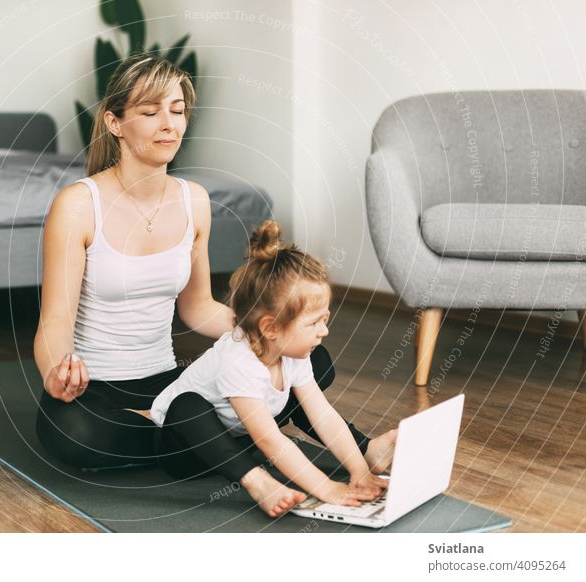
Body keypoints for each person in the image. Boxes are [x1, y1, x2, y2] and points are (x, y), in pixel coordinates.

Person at [34, 53, 395, 510]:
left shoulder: (194, 201)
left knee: (309, 359)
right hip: (99, 392)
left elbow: (198, 307)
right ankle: (226, 444)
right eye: (150, 113)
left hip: (167, 382)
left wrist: (269, 330)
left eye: (178, 110)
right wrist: (54, 373)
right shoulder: (78, 205)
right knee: (74, 434)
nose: (169, 124)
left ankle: (349, 447)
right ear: (115, 122)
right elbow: (55, 319)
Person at [150, 220, 390, 517]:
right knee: (188, 406)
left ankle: (364, 453)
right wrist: (326, 488)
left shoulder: (292, 352)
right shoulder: (238, 361)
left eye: (325, 318)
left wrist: (359, 471)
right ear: (271, 327)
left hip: (238, 440)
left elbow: (323, 415)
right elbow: (270, 440)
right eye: (314, 322)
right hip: (185, 450)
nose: (324, 331)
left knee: (312, 379)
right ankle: (257, 482)